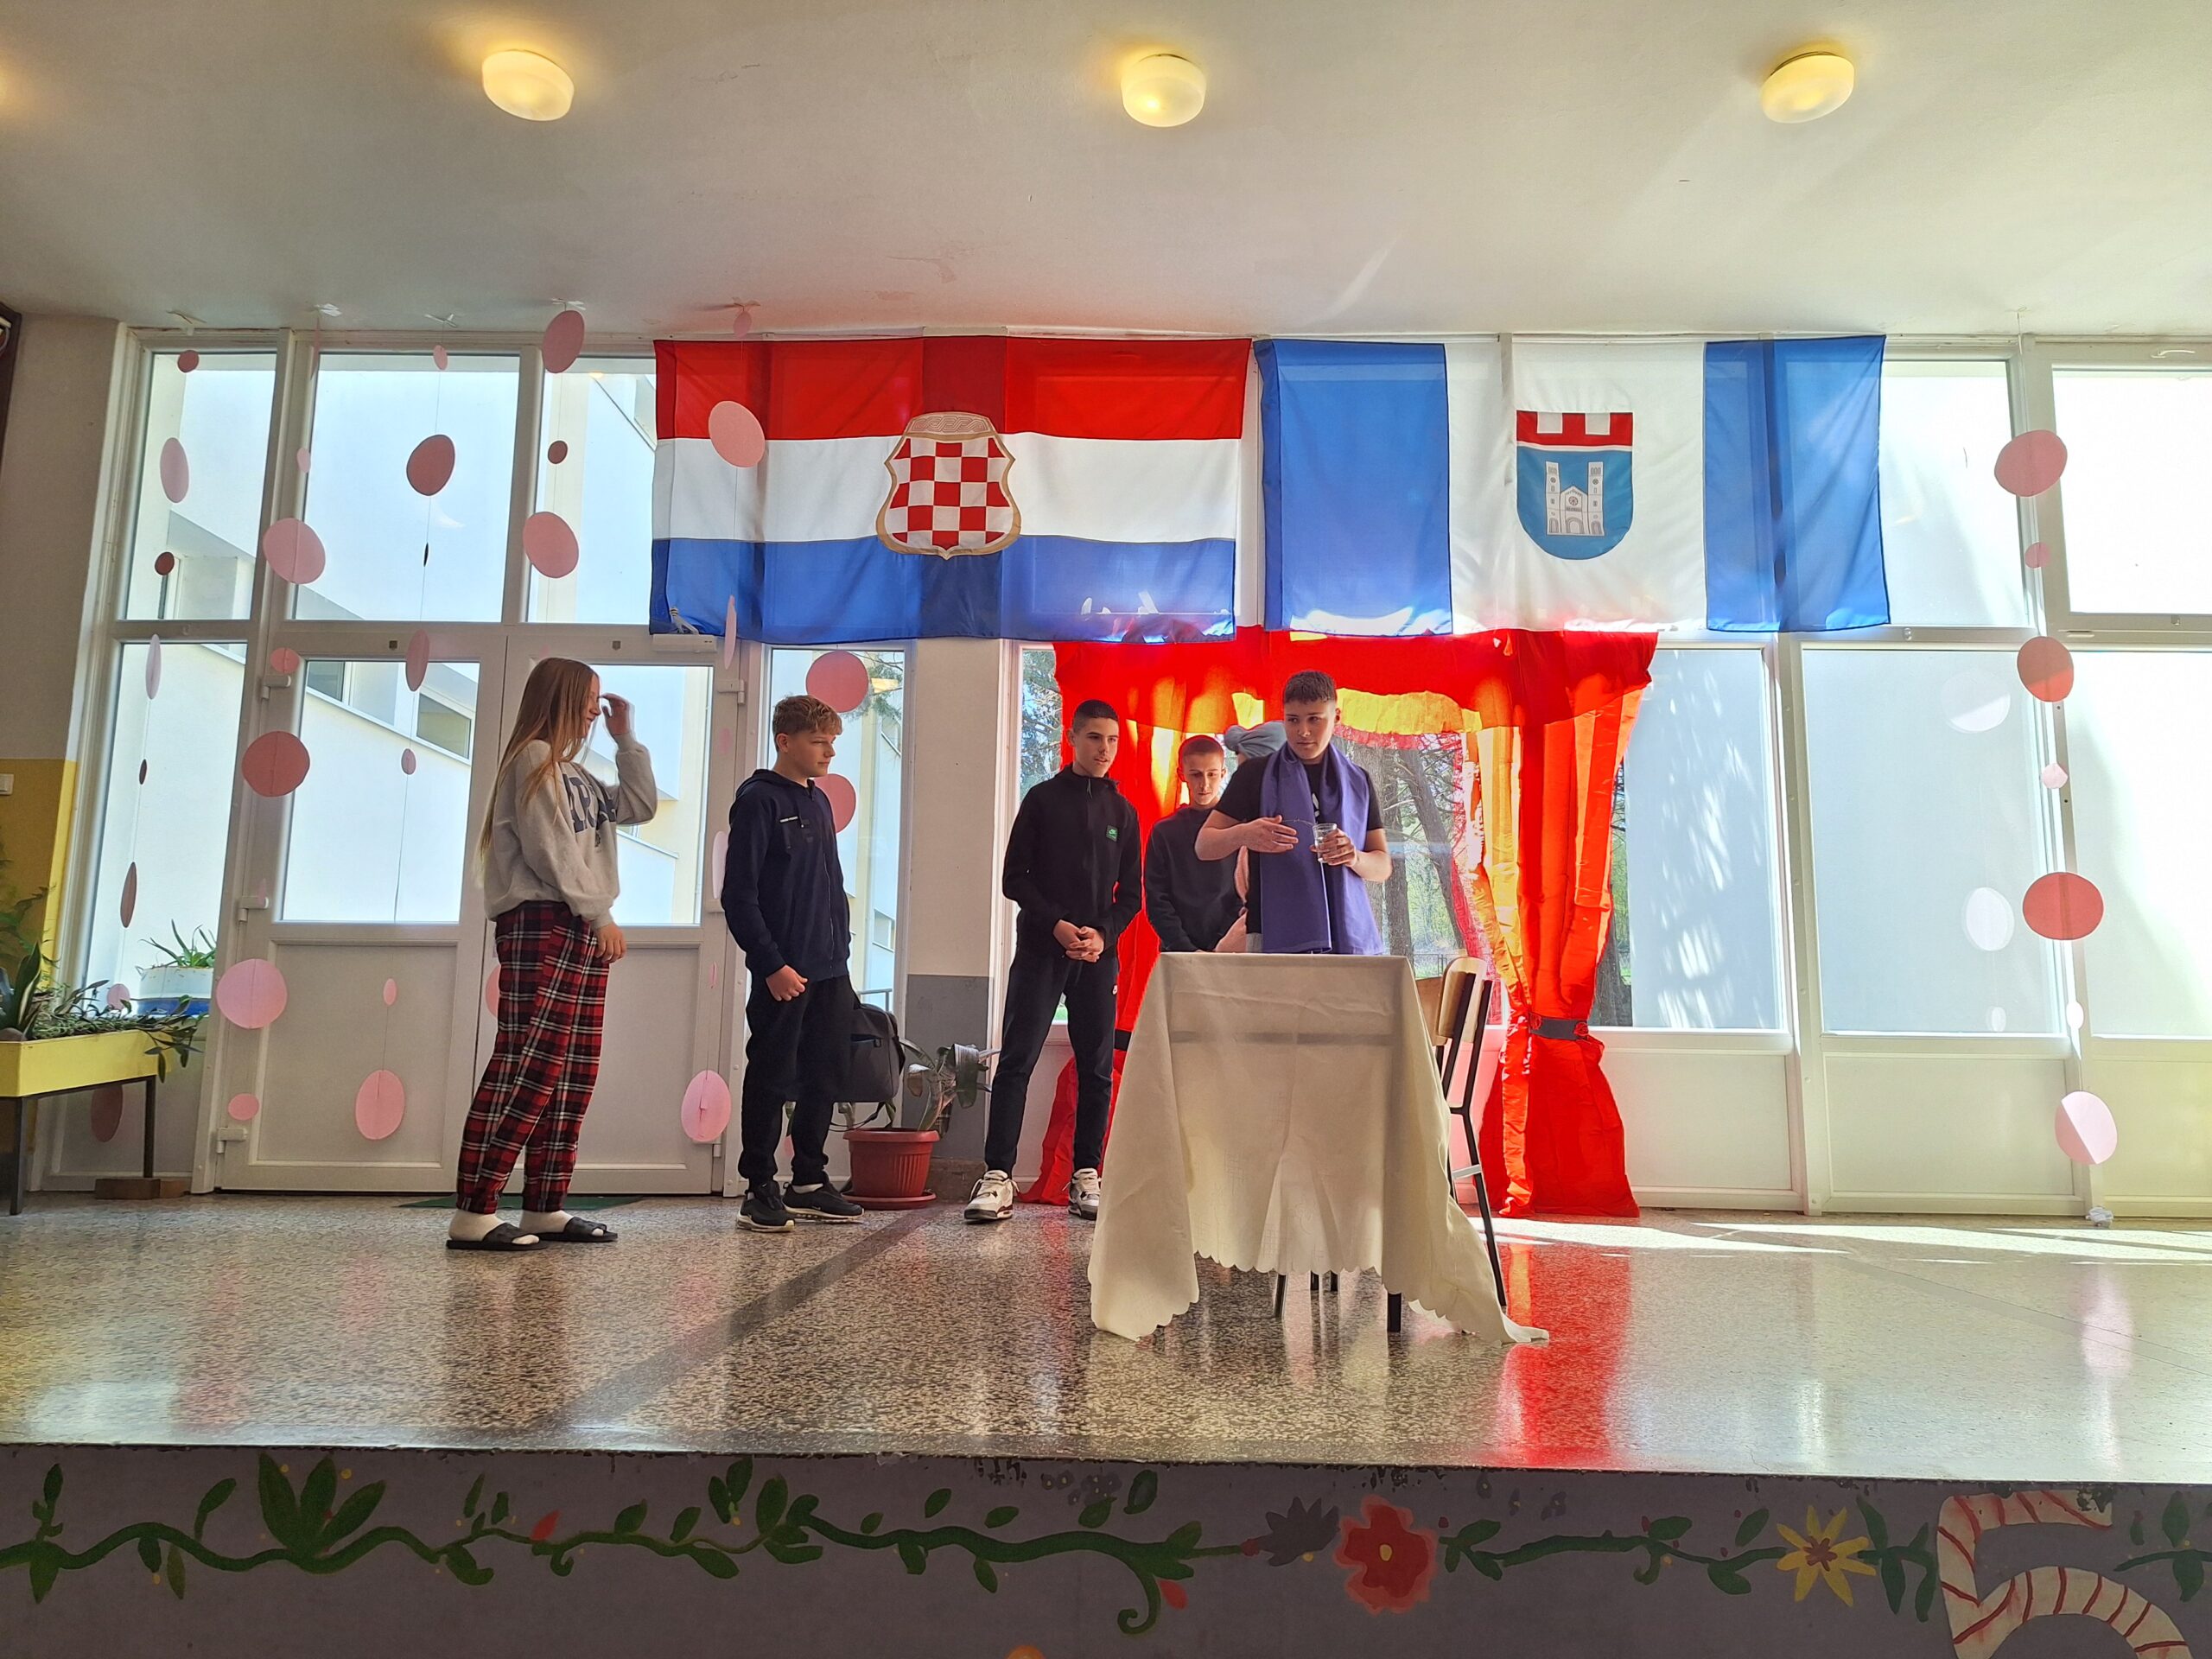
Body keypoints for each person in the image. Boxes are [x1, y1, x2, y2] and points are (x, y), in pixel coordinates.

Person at [451, 658, 658, 1251]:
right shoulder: (533, 759)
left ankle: (545, 1205)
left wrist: (625, 739)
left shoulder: (574, 773)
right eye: (589, 697)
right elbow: (549, 850)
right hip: (544, 920)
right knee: (530, 1062)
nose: (596, 708)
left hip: (575, 922)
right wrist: (599, 914)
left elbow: (640, 806)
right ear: (562, 697)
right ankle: (473, 1210)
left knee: (572, 1070)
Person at [965, 699, 1140, 1224]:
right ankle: (997, 1176)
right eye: (1094, 738)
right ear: (1073, 738)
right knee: (1017, 1059)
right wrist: (1057, 923)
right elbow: (1014, 879)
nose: (1104, 749)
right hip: (1042, 949)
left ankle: (1086, 1174)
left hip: (1097, 957)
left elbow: (1131, 896)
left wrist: (1102, 936)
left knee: (1096, 1069)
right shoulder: (1042, 799)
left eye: (1112, 740)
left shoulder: (1123, 812)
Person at [721, 694, 868, 1233]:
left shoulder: (820, 802)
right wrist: (771, 964)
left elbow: (830, 883)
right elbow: (738, 895)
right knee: (771, 1074)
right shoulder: (758, 801)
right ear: (785, 742)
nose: (829, 752)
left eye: (832, 742)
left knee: (824, 1074)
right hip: (784, 972)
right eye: (819, 742)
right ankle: (759, 1186)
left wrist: (841, 948)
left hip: (830, 969)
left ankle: (807, 1180)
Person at [1196, 670, 1390, 954]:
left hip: (1346, 933)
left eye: (1315, 719)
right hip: (1270, 931)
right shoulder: (1255, 774)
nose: (1304, 732)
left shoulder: (1358, 780)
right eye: (1293, 720)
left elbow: (1383, 866)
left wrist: (1354, 856)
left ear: (1336, 717)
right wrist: (1243, 834)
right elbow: (1204, 845)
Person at [1143, 734, 1243, 953]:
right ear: (1182, 775)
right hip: (1177, 951)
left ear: (1223, 773)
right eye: (1196, 774)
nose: (1204, 784)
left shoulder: (1239, 828)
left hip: (1229, 948)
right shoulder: (1164, 832)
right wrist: (1185, 948)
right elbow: (1157, 898)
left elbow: (1244, 893)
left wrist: (1221, 945)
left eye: (1212, 774)